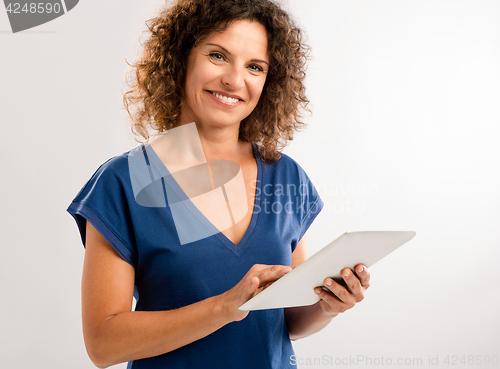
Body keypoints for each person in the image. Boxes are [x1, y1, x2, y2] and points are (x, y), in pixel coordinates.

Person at [66, 0, 371, 368]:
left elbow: (287, 320)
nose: (234, 80)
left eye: (254, 66)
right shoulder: (124, 182)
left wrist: (327, 305)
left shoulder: (285, 177)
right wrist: (226, 306)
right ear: (181, 59)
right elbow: (104, 343)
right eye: (217, 56)